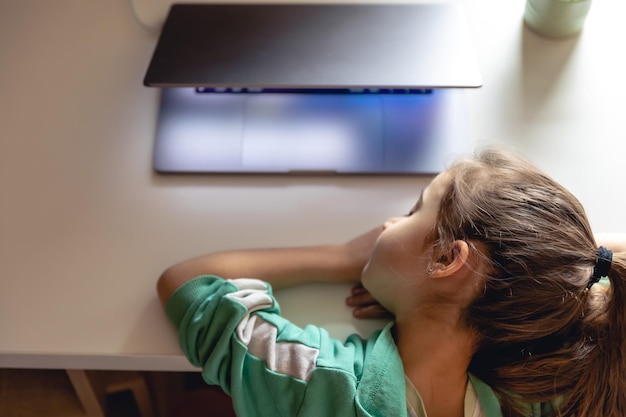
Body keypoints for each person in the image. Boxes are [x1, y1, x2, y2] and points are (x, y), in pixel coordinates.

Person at [157, 149, 626, 417]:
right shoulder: (537, 398)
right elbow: (594, 264)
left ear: (446, 259)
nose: (385, 224)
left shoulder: (318, 384)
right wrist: (426, 292)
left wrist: (340, 258)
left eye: (411, 211)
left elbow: (188, 283)